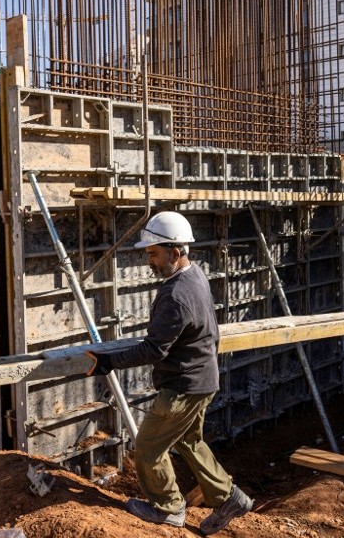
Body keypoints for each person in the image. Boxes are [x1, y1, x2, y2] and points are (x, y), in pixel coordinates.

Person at [85, 211, 253, 535]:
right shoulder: (196, 276)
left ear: (175, 253)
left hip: (182, 387)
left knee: (148, 449)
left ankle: (169, 508)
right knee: (190, 440)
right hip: (204, 379)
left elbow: (153, 349)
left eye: (153, 253)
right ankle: (230, 497)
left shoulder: (175, 295)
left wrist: (108, 361)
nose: (148, 260)